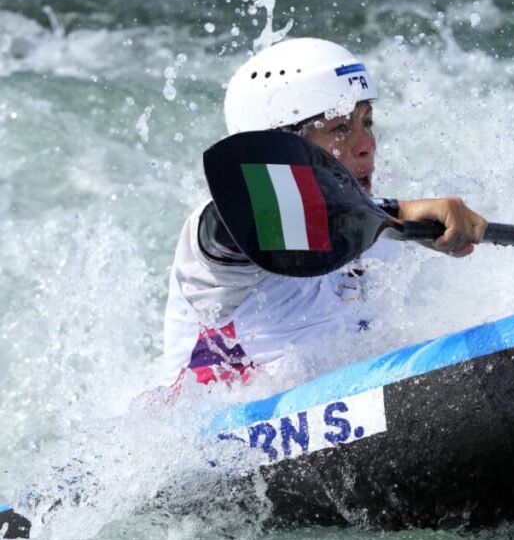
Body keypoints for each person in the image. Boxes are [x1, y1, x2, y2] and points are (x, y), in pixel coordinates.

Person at [163, 38, 488, 384]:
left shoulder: (376, 232)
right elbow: (257, 206)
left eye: (367, 122)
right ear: (280, 149)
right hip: (211, 429)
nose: (367, 146)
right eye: (340, 128)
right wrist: (401, 210)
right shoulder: (225, 234)